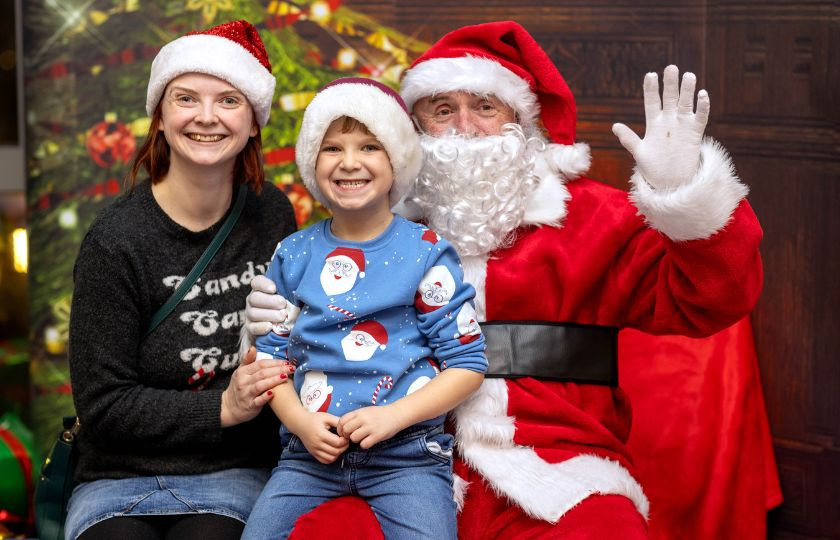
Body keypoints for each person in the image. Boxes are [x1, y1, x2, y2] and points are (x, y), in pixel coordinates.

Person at [245, 21, 763, 539]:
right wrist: (267, 325)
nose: (465, 127)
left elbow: (711, 301)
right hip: (390, 459)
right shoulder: (372, 225)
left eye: (486, 107)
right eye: (443, 110)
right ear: (415, 129)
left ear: (524, 120)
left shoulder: (594, 218)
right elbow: (294, 337)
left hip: (558, 465)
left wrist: (682, 194)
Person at [65, 20, 297, 540]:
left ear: (254, 121)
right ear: (161, 116)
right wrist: (224, 407)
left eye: (229, 100)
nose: (207, 117)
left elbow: (292, 342)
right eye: (186, 98)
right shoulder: (115, 240)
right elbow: (103, 404)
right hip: (116, 479)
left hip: (236, 471)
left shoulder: (272, 216)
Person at [241, 77, 487, 540]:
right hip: (308, 456)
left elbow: (468, 364)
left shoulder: (427, 252)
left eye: (370, 147)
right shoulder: (293, 254)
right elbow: (271, 360)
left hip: (407, 457)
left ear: (396, 162)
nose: (349, 162)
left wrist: (393, 417)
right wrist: (301, 423)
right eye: (332, 148)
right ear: (313, 163)